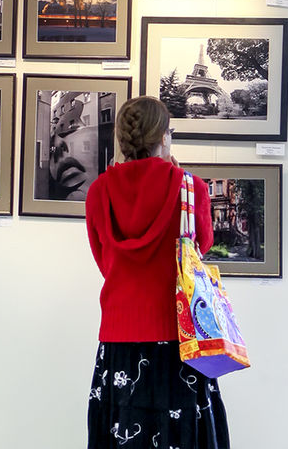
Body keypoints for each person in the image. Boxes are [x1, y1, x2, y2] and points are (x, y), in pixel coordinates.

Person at [84, 96, 229, 449]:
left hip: (119, 337)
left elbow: (105, 261)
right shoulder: (190, 188)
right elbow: (201, 246)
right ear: (164, 137)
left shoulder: (99, 191)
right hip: (179, 337)